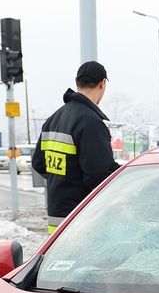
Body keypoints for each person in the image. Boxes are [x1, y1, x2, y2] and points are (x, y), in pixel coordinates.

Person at [32, 61, 119, 233]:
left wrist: (64, 179)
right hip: (81, 224)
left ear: (77, 81)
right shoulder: (90, 123)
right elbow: (100, 176)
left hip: (56, 225)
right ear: (103, 84)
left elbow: (38, 164)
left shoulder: (53, 119)